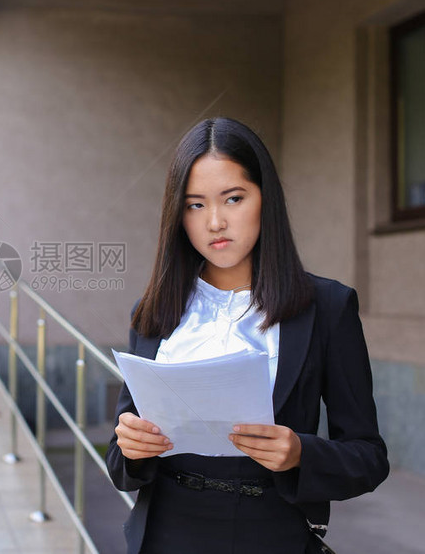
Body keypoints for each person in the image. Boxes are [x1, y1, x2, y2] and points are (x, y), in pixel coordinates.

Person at [105, 117, 389, 554]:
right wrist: (131, 447)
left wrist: (301, 453)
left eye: (233, 198)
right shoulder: (154, 311)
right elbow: (120, 464)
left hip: (273, 534)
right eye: (195, 205)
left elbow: (368, 457)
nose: (215, 222)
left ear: (264, 199)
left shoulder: (327, 307)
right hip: (165, 534)